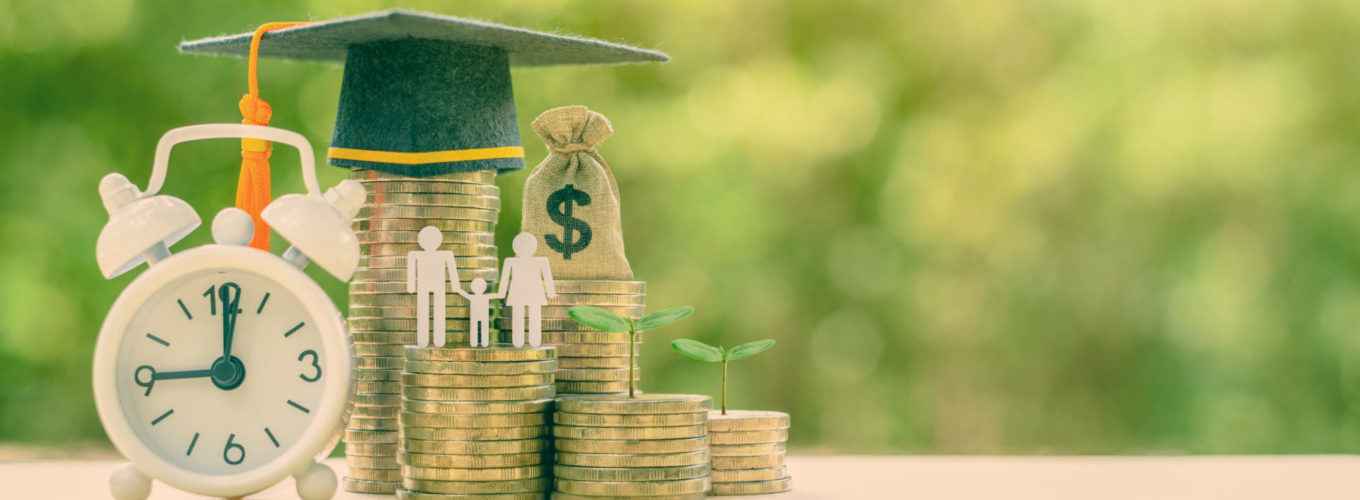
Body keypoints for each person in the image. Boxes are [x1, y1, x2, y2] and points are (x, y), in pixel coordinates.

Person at [497, 233, 557, 347]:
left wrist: (551, 291)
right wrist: (501, 292)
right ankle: (519, 341)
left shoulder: (541, 261)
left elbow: (548, 277)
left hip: (531, 291)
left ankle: (533, 341)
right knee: (519, 316)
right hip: (521, 291)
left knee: (533, 315)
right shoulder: (510, 261)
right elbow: (504, 277)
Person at [406, 226, 461, 347]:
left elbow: (452, 270)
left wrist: (455, 285)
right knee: (423, 311)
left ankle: (439, 339)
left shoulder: (446, 254)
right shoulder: (415, 254)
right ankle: (423, 339)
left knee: (439, 311)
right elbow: (411, 270)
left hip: (437, 285)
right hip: (424, 285)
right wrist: (410, 285)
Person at [456, 278, 500, 347]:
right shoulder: (482, 297)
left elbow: (459, 290)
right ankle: (478, 343)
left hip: (480, 316)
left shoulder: (474, 297)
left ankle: (481, 343)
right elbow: (499, 295)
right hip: (477, 316)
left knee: (480, 328)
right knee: (477, 328)